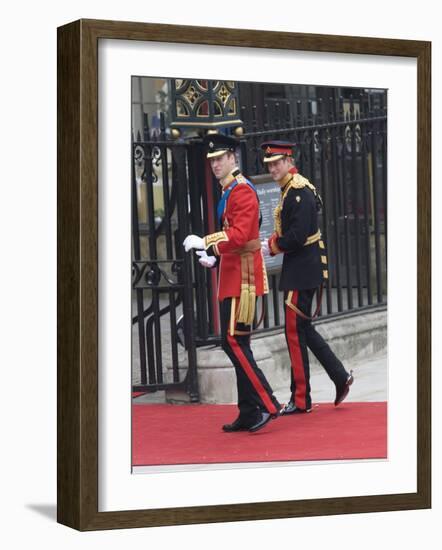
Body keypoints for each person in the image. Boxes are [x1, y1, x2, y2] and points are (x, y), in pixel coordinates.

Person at [183, 133, 280, 433]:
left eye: (220, 158)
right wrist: (216, 257)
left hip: (244, 278)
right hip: (234, 271)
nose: (215, 164)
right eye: (212, 160)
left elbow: (240, 234)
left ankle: (266, 402)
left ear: (233, 158)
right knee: (236, 342)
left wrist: (208, 242)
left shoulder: (241, 190)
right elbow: (241, 235)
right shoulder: (230, 190)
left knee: (234, 342)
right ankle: (249, 410)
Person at [260, 140, 354, 414]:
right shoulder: (292, 187)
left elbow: (297, 237)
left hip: (301, 271)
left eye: (277, 162)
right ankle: (340, 377)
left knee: (293, 332)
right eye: (270, 164)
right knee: (303, 330)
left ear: (289, 161)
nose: (273, 168)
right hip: (303, 268)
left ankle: (301, 399)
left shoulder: (297, 192)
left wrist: (272, 245)